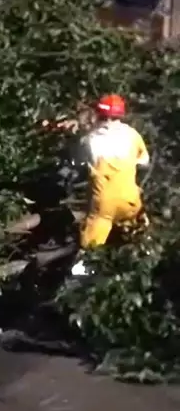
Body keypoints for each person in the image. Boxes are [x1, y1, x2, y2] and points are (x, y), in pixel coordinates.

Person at [71, 94, 150, 275]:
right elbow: (144, 161)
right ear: (122, 114)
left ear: (98, 114)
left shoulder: (89, 140)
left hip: (103, 206)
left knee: (90, 246)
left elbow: (77, 163)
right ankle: (147, 264)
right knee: (140, 236)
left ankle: (81, 279)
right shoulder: (133, 135)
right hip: (131, 200)